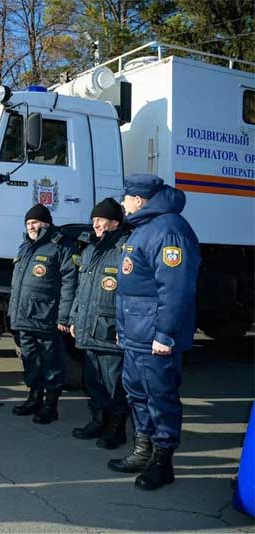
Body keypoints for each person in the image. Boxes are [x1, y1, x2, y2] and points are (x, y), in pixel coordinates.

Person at [108, 174, 199, 491]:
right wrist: (123, 330)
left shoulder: (169, 229)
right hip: (136, 334)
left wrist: (165, 334)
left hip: (154, 338)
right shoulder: (143, 229)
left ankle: (163, 462)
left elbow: (175, 289)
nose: (122, 203)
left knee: (161, 396)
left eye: (126, 197)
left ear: (139, 199)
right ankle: (142, 450)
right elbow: (130, 291)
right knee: (136, 392)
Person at [8, 203, 78, 424]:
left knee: (51, 362)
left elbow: (70, 284)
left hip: (46, 317)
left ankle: (51, 405)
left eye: (35, 222)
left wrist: (64, 317)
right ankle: (34, 398)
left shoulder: (62, 246)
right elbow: (17, 285)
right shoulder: (25, 247)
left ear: (46, 223)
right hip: (24, 317)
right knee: (30, 360)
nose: (31, 226)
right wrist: (12, 313)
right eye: (28, 223)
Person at [68, 198, 130, 449]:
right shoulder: (91, 250)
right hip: (87, 326)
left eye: (100, 220)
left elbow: (131, 295)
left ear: (114, 222)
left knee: (113, 382)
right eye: (93, 220)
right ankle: (98, 421)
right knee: (93, 381)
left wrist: (125, 328)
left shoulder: (125, 250)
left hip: (109, 329)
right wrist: (73, 318)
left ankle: (117, 429)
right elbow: (81, 289)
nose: (94, 224)